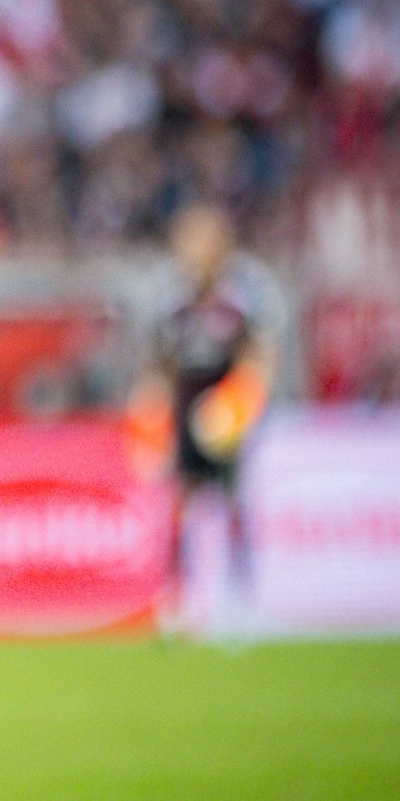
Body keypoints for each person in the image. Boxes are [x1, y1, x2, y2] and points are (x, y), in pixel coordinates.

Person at [138, 204, 271, 627]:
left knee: (232, 497)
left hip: (225, 402)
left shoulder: (242, 291)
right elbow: (158, 360)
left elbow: (258, 352)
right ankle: (179, 596)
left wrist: (242, 401)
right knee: (182, 496)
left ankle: (240, 597)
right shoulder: (171, 294)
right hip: (185, 398)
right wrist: (149, 413)